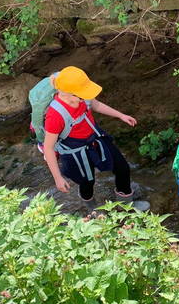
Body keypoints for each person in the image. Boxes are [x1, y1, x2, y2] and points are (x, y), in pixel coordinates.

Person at [42, 66, 149, 211]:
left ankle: (126, 205)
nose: (86, 97)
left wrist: (121, 115)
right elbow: (48, 148)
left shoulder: (82, 96)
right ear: (69, 94)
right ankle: (91, 208)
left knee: (122, 167)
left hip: (95, 139)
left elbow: (96, 105)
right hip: (75, 151)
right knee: (87, 182)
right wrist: (57, 178)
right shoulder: (55, 115)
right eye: (82, 95)